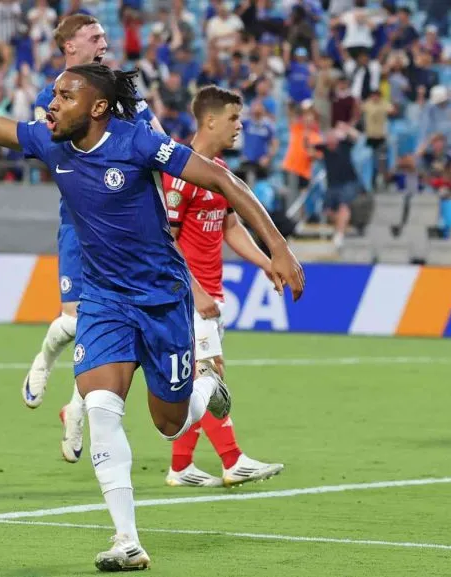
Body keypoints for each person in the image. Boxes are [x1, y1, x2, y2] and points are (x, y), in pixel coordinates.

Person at [0, 13, 305, 571]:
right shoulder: (51, 143)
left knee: (170, 422)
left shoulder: (138, 143)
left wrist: (279, 248)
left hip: (162, 300)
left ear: (97, 108)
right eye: (53, 95)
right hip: (104, 301)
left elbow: (222, 178)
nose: (51, 105)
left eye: (64, 96)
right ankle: (127, 541)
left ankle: (207, 390)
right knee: (100, 408)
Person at [22, 14, 163, 465]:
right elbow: (47, 147)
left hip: (128, 230)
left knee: (113, 332)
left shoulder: (123, 92)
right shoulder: (53, 99)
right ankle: (45, 361)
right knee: (75, 322)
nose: (105, 42)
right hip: (81, 224)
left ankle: (76, 410)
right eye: (95, 36)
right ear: (71, 47)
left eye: (104, 35)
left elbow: (159, 139)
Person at [161, 85, 284, 488]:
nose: (239, 126)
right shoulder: (180, 173)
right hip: (187, 296)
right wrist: (195, 290)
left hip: (209, 293)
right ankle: (233, 461)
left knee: (203, 378)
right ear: (210, 121)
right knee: (210, 375)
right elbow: (166, 241)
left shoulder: (219, 173)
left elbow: (231, 227)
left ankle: (181, 466)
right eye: (233, 118)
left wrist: (266, 263)